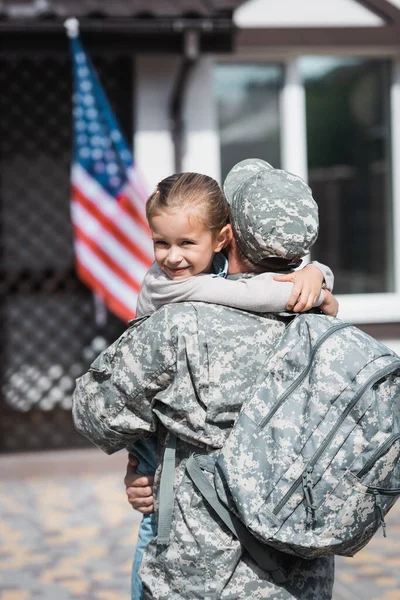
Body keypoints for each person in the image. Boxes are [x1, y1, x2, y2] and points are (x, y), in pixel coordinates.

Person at [73, 159, 337, 599]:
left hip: (200, 569)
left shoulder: (179, 325)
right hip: (299, 568)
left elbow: (95, 414)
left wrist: (143, 466)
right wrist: (320, 280)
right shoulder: (329, 329)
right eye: (162, 242)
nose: (172, 255)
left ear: (227, 234)